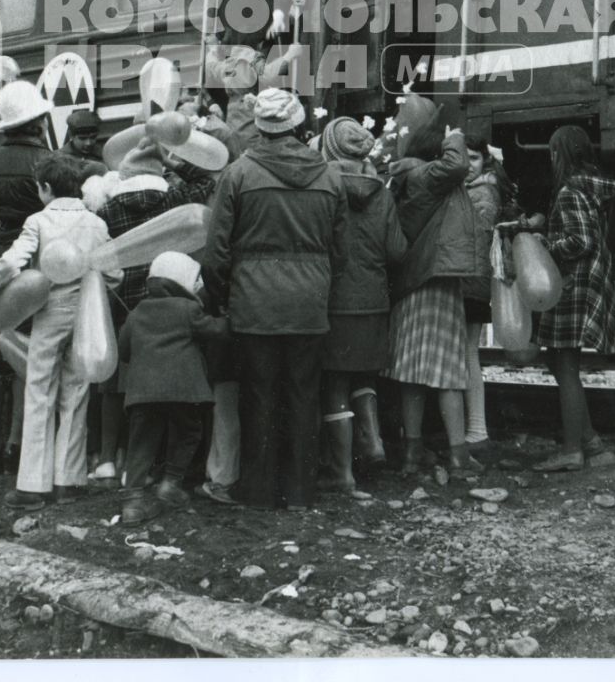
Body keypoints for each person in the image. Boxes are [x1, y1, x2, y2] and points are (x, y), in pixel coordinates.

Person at [199, 88, 345, 510]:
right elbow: (341, 253)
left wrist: (225, 298)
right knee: (304, 396)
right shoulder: (329, 175)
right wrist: (318, 286)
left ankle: (258, 491)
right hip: (309, 304)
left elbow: (216, 253)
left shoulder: (239, 174)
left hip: (254, 306)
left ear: (260, 126)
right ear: (298, 124)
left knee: (258, 396)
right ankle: (300, 492)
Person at [84, 127, 221, 489]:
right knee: (173, 374)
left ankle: (116, 461)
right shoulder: (175, 199)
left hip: (124, 300)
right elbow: (208, 179)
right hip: (172, 296)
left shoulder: (107, 207)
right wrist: (174, 159)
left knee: (119, 382)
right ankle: (165, 467)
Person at [0, 154, 112, 510]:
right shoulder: (96, 223)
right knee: (77, 389)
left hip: (49, 309)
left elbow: (11, 262)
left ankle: (32, 485)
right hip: (87, 311)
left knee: (39, 389)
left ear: (46, 188)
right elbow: (113, 273)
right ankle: (69, 480)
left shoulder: (38, 220)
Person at [382, 97, 485, 473]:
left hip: (411, 284)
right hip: (435, 283)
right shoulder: (426, 177)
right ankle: (459, 454)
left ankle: (412, 452)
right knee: (447, 371)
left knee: (411, 370)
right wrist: (454, 135)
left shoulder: (404, 177)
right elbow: (457, 164)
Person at [0, 81, 57, 474]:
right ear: (37, 121)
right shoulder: (49, 163)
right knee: (25, 345)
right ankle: (19, 440)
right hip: (31, 251)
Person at [316, 117, 406, 492]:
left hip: (335, 300)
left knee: (335, 383)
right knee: (364, 377)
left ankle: (342, 472)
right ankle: (372, 441)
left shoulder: (322, 187)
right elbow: (398, 250)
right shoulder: (382, 193)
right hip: (373, 300)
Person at [117, 251, 229, 524]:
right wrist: (228, 317)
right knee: (189, 431)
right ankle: (171, 483)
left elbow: (123, 350)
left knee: (142, 442)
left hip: (143, 392)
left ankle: (132, 501)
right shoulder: (188, 309)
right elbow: (216, 331)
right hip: (184, 390)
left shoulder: (137, 311)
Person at [531, 125, 615, 472]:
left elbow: (579, 241)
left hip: (574, 285)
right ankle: (592, 444)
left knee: (564, 365)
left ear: (563, 154)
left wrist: (544, 245)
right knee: (560, 362)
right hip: (589, 283)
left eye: (554, 152)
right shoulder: (593, 188)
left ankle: (571, 450)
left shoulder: (570, 192)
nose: (551, 159)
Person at [462, 136, 515, 453]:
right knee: (467, 354)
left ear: (485, 161)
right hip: (473, 281)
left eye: (474, 158)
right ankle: (475, 430)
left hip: (470, 281)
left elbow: (476, 242)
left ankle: (477, 431)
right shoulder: (482, 190)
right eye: (463, 158)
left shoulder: (481, 194)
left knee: (467, 354)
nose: (468, 165)